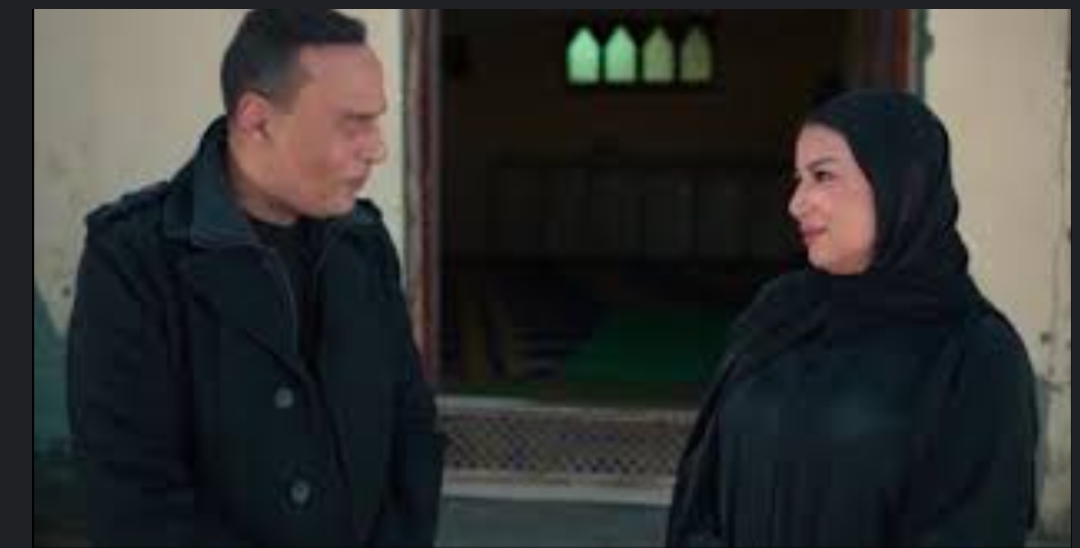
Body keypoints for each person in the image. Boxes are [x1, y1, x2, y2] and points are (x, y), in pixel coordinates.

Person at [66, 9, 444, 547]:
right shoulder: (133, 258)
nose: (377, 148)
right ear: (257, 120)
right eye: (351, 124)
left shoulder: (363, 242)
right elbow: (134, 502)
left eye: (376, 121)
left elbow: (412, 431)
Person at [666, 90, 1038, 547]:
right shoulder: (778, 310)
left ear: (902, 185)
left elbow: (975, 526)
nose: (796, 203)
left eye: (822, 176)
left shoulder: (975, 352)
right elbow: (703, 482)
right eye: (798, 179)